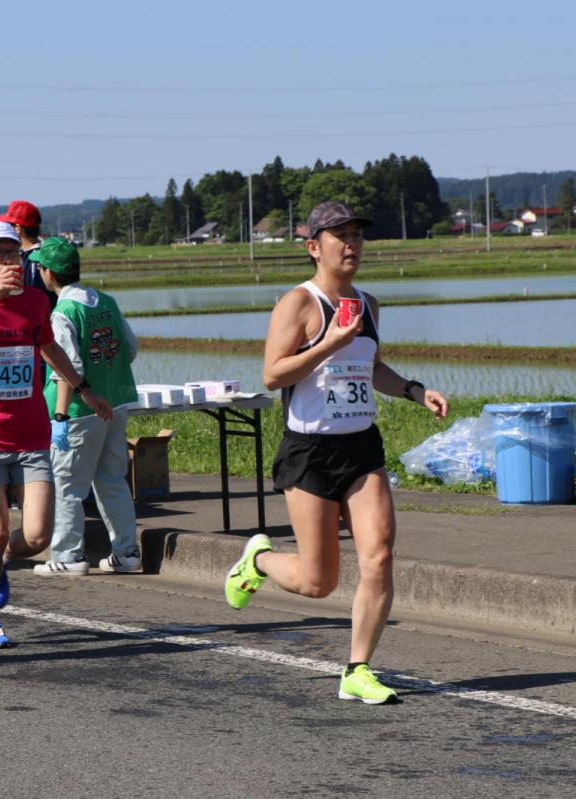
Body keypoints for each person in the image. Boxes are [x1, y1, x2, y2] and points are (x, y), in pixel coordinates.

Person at [224, 201, 449, 705]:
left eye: (357, 236)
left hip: (361, 446)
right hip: (310, 451)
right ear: (313, 247)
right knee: (317, 581)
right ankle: (259, 561)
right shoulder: (297, 305)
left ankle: (358, 668)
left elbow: (372, 367)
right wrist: (328, 342)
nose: (351, 245)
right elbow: (273, 375)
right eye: (339, 236)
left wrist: (415, 390)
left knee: (380, 555)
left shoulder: (368, 304)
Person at [0, 221, 111, 648]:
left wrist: (85, 392)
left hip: (31, 432)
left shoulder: (36, 302)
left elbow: (48, 347)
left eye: (13, 253)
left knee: (37, 538)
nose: (8, 261)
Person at [31, 237, 141, 576]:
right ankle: (127, 553)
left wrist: (61, 415)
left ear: (48, 273)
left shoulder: (62, 312)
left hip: (80, 410)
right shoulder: (106, 301)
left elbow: (69, 369)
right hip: (118, 401)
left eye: (40, 267)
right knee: (112, 480)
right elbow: (131, 347)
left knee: (67, 484)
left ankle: (68, 556)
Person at [0, 200, 50, 300]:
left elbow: (35, 296)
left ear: (17, 228)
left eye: (9, 225)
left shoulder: (35, 259)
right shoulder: (45, 253)